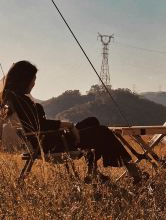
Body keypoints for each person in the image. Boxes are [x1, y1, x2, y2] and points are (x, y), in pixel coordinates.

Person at [0, 60, 144, 184]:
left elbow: (35, 125)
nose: (34, 83)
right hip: (51, 143)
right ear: (24, 79)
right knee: (101, 131)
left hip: (46, 140)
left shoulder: (14, 98)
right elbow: (39, 126)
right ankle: (133, 171)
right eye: (33, 78)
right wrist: (68, 125)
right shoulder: (20, 99)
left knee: (92, 121)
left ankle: (92, 172)